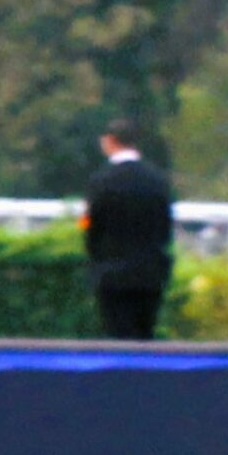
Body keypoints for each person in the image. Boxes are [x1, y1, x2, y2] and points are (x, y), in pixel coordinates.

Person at [83, 123, 175, 341]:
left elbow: (90, 226)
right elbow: (166, 226)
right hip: (151, 272)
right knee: (145, 336)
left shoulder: (101, 182)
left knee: (117, 336)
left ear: (109, 141)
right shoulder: (157, 180)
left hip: (112, 272)